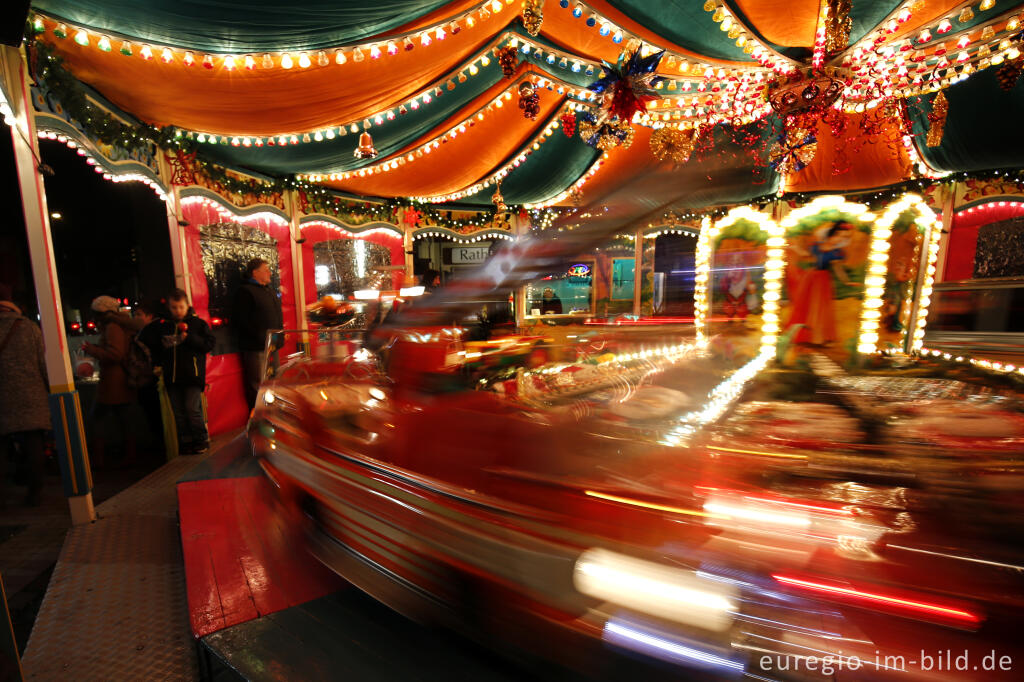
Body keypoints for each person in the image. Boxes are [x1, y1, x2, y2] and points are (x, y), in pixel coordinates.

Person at [149, 289, 216, 455]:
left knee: (192, 409)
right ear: (169, 308)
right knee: (178, 412)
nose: (177, 310)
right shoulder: (163, 326)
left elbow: (209, 344)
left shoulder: (197, 324)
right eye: (174, 307)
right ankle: (186, 442)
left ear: (187, 306)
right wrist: (157, 365)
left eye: (180, 307)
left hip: (192, 376)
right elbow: (156, 348)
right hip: (171, 376)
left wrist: (190, 338)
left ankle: (201, 439)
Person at [0, 284, 50, 506]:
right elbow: (43, 363)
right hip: (32, 395)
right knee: (33, 444)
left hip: (3, 396)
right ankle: (35, 493)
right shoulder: (30, 328)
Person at [82, 295, 139, 468]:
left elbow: (116, 354)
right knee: (124, 419)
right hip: (118, 380)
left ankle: (99, 460)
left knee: (97, 417)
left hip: (114, 381)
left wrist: (92, 350)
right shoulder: (118, 324)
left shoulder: (112, 327)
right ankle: (129, 456)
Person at [785, 222, 860, 345]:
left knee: (820, 308)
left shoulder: (836, 253)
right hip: (811, 278)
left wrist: (847, 281)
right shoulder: (817, 246)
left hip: (823, 280)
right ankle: (804, 334)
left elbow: (838, 269)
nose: (840, 240)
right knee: (807, 305)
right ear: (832, 235)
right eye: (839, 236)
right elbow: (806, 255)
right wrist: (794, 248)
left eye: (844, 238)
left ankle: (818, 337)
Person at [232, 258, 283, 410]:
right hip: (256, 347)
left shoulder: (269, 291)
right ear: (255, 272)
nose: (269, 273)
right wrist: (260, 337)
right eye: (265, 269)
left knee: (275, 381)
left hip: (273, 345)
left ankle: (275, 414)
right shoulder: (245, 292)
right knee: (258, 383)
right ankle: (259, 417)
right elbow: (241, 320)